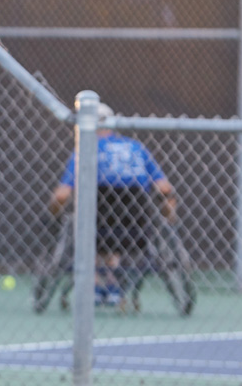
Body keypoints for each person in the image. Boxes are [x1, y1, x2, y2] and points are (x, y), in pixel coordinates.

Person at [49, 103, 176, 307]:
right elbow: (166, 190)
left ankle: (96, 284)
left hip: (94, 229)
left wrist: (54, 214)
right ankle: (112, 284)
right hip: (137, 232)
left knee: (92, 222)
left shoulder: (85, 150)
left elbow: (62, 196)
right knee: (117, 220)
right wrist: (169, 218)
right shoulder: (137, 149)